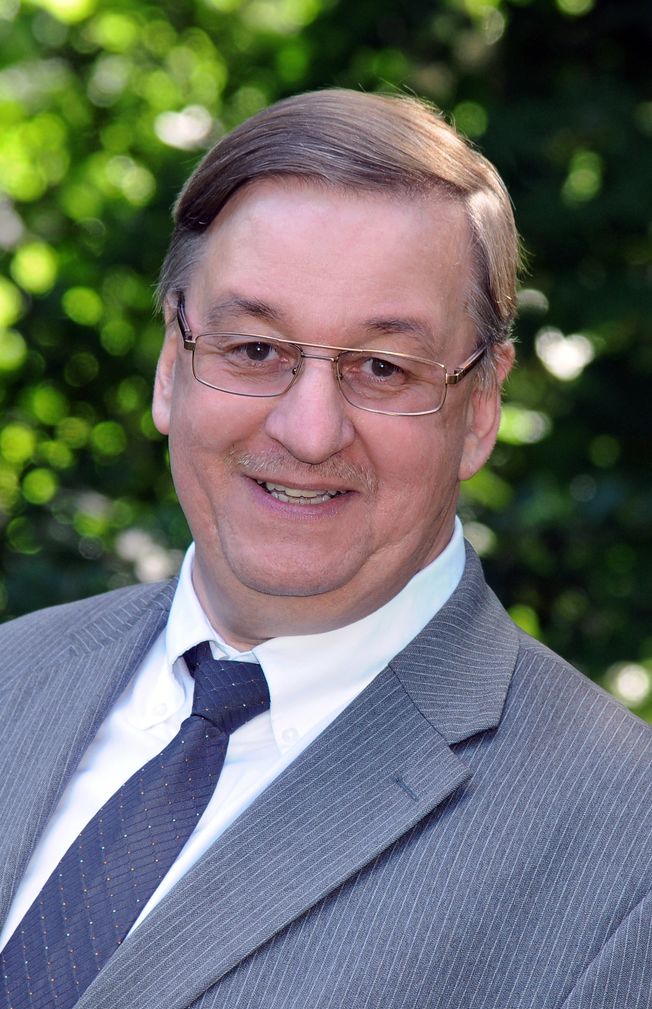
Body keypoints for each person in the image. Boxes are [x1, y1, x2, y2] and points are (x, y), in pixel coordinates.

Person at [0, 89, 649, 1009]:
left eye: (383, 367)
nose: (309, 432)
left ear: (481, 408)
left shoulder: (625, 853)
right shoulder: (14, 673)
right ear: (172, 366)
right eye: (254, 349)